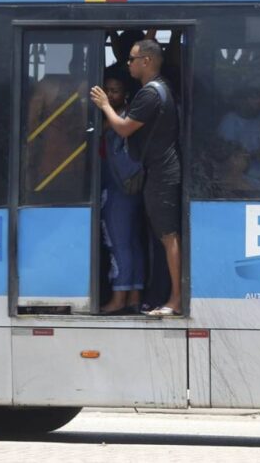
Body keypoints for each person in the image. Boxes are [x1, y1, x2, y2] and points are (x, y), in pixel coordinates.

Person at [90, 39, 182, 317]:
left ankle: (176, 300)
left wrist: (105, 105)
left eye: (131, 59)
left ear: (147, 61)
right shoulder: (160, 89)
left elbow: (124, 128)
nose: (127, 64)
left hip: (161, 174)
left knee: (168, 237)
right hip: (159, 172)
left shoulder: (150, 94)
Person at [99, 67, 144, 314]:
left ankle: (118, 297)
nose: (109, 95)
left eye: (114, 91)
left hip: (118, 190)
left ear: (126, 93)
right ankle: (134, 295)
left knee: (118, 244)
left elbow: (103, 132)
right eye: (106, 90)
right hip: (129, 189)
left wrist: (104, 106)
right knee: (132, 243)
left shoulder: (120, 118)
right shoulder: (126, 114)